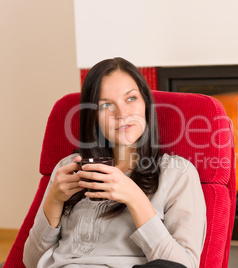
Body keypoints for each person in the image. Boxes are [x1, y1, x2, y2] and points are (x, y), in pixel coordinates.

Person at [23, 57, 207, 268]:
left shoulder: (177, 173)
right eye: (106, 105)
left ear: (145, 104)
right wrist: (54, 200)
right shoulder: (69, 168)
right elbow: (29, 262)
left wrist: (135, 197)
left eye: (130, 99)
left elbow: (183, 266)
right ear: (93, 116)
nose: (122, 114)